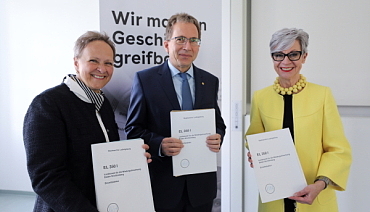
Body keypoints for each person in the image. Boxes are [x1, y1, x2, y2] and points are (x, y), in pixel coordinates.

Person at [23, 31, 151, 212]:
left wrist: (130, 160)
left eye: (108, 63)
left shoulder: (103, 103)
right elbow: (46, 178)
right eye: (94, 61)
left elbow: (105, 155)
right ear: (76, 63)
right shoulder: (47, 104)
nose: (102, 68)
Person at [125, 13, 226, 212]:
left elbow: (218, 123)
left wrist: (219, 136)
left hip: (201, 190)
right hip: (163, 189)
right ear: (166, 44)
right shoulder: (146, 80)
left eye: (194, 40)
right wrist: (159, 145)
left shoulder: (210, 81)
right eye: (180, 39)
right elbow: (133, 131)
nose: (187, 47)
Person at [245, 28, 352, 212]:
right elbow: (253, 138)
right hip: (274, 198)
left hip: (316, 199)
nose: (286, 61)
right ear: (272, 58)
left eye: (293, 54)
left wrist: (320, 184)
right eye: (279, 55)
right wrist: (254, 153)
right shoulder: (260, 98)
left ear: (304, 56)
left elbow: (338, 150)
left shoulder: (322, 95)